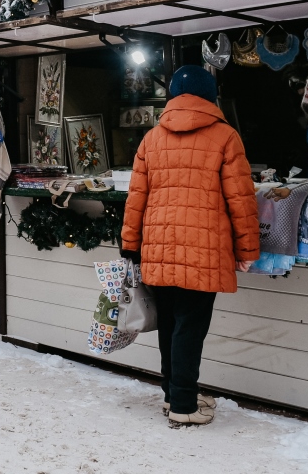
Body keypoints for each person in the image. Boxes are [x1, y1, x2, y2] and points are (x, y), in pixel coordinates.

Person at [120, 65, 259, 428]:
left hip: (159, 251)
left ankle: (172, 395)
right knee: (189, 328)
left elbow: (136, 198)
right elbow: (241, 201)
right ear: (210, 96)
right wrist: (246, 251)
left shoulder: (152, 138)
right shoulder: (226, 137)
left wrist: (130, 245)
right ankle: (183, 404)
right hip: (204, 253)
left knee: (169, 325)